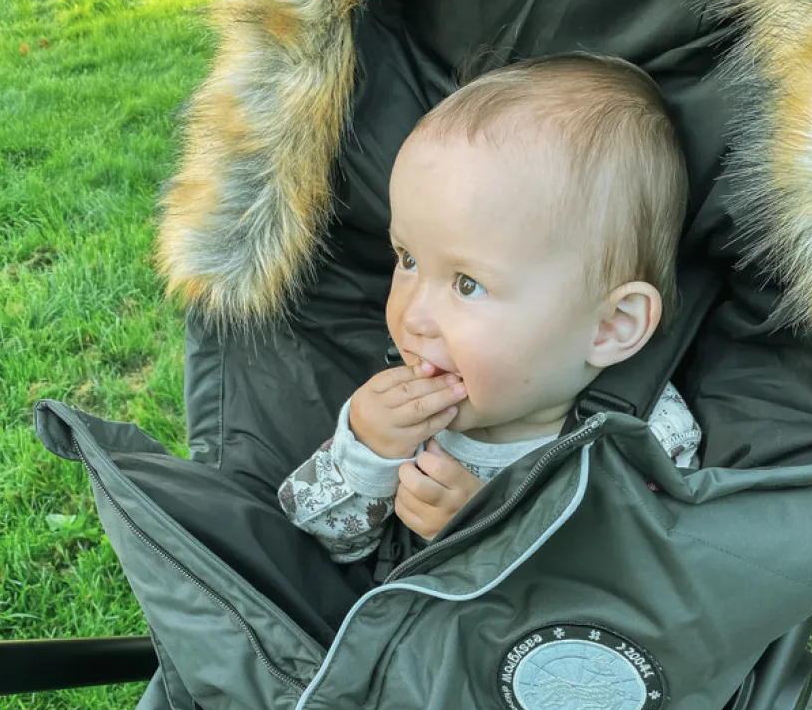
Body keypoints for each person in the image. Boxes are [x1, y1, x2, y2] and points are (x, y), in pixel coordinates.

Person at [277, 52, 700, 562]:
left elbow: (657, 581)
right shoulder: (405, 418)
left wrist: (494, 533)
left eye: (467, 284)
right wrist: (366, 453)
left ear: (611, 326)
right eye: (407, 259)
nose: (412, 317)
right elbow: (328, 545)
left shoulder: (649, 439)